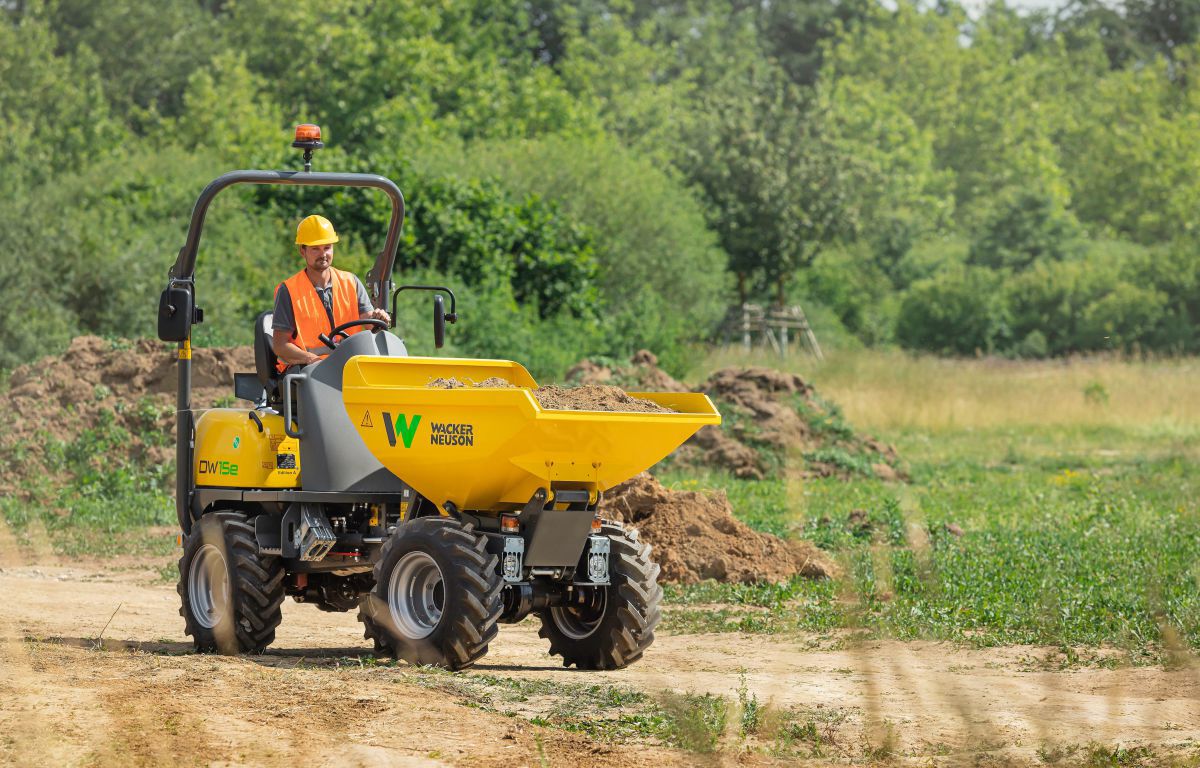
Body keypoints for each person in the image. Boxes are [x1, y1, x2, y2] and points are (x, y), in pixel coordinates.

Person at [272, 215, 390, 372]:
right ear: (303, 250)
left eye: (327, 247)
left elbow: (369, 324)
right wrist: (310, 359)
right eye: (315, 249)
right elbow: (280, 346)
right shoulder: (288, 290)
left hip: (350, 366)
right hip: (308, 371)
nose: (323, 255)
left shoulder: (351, 282)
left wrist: (378, 319)